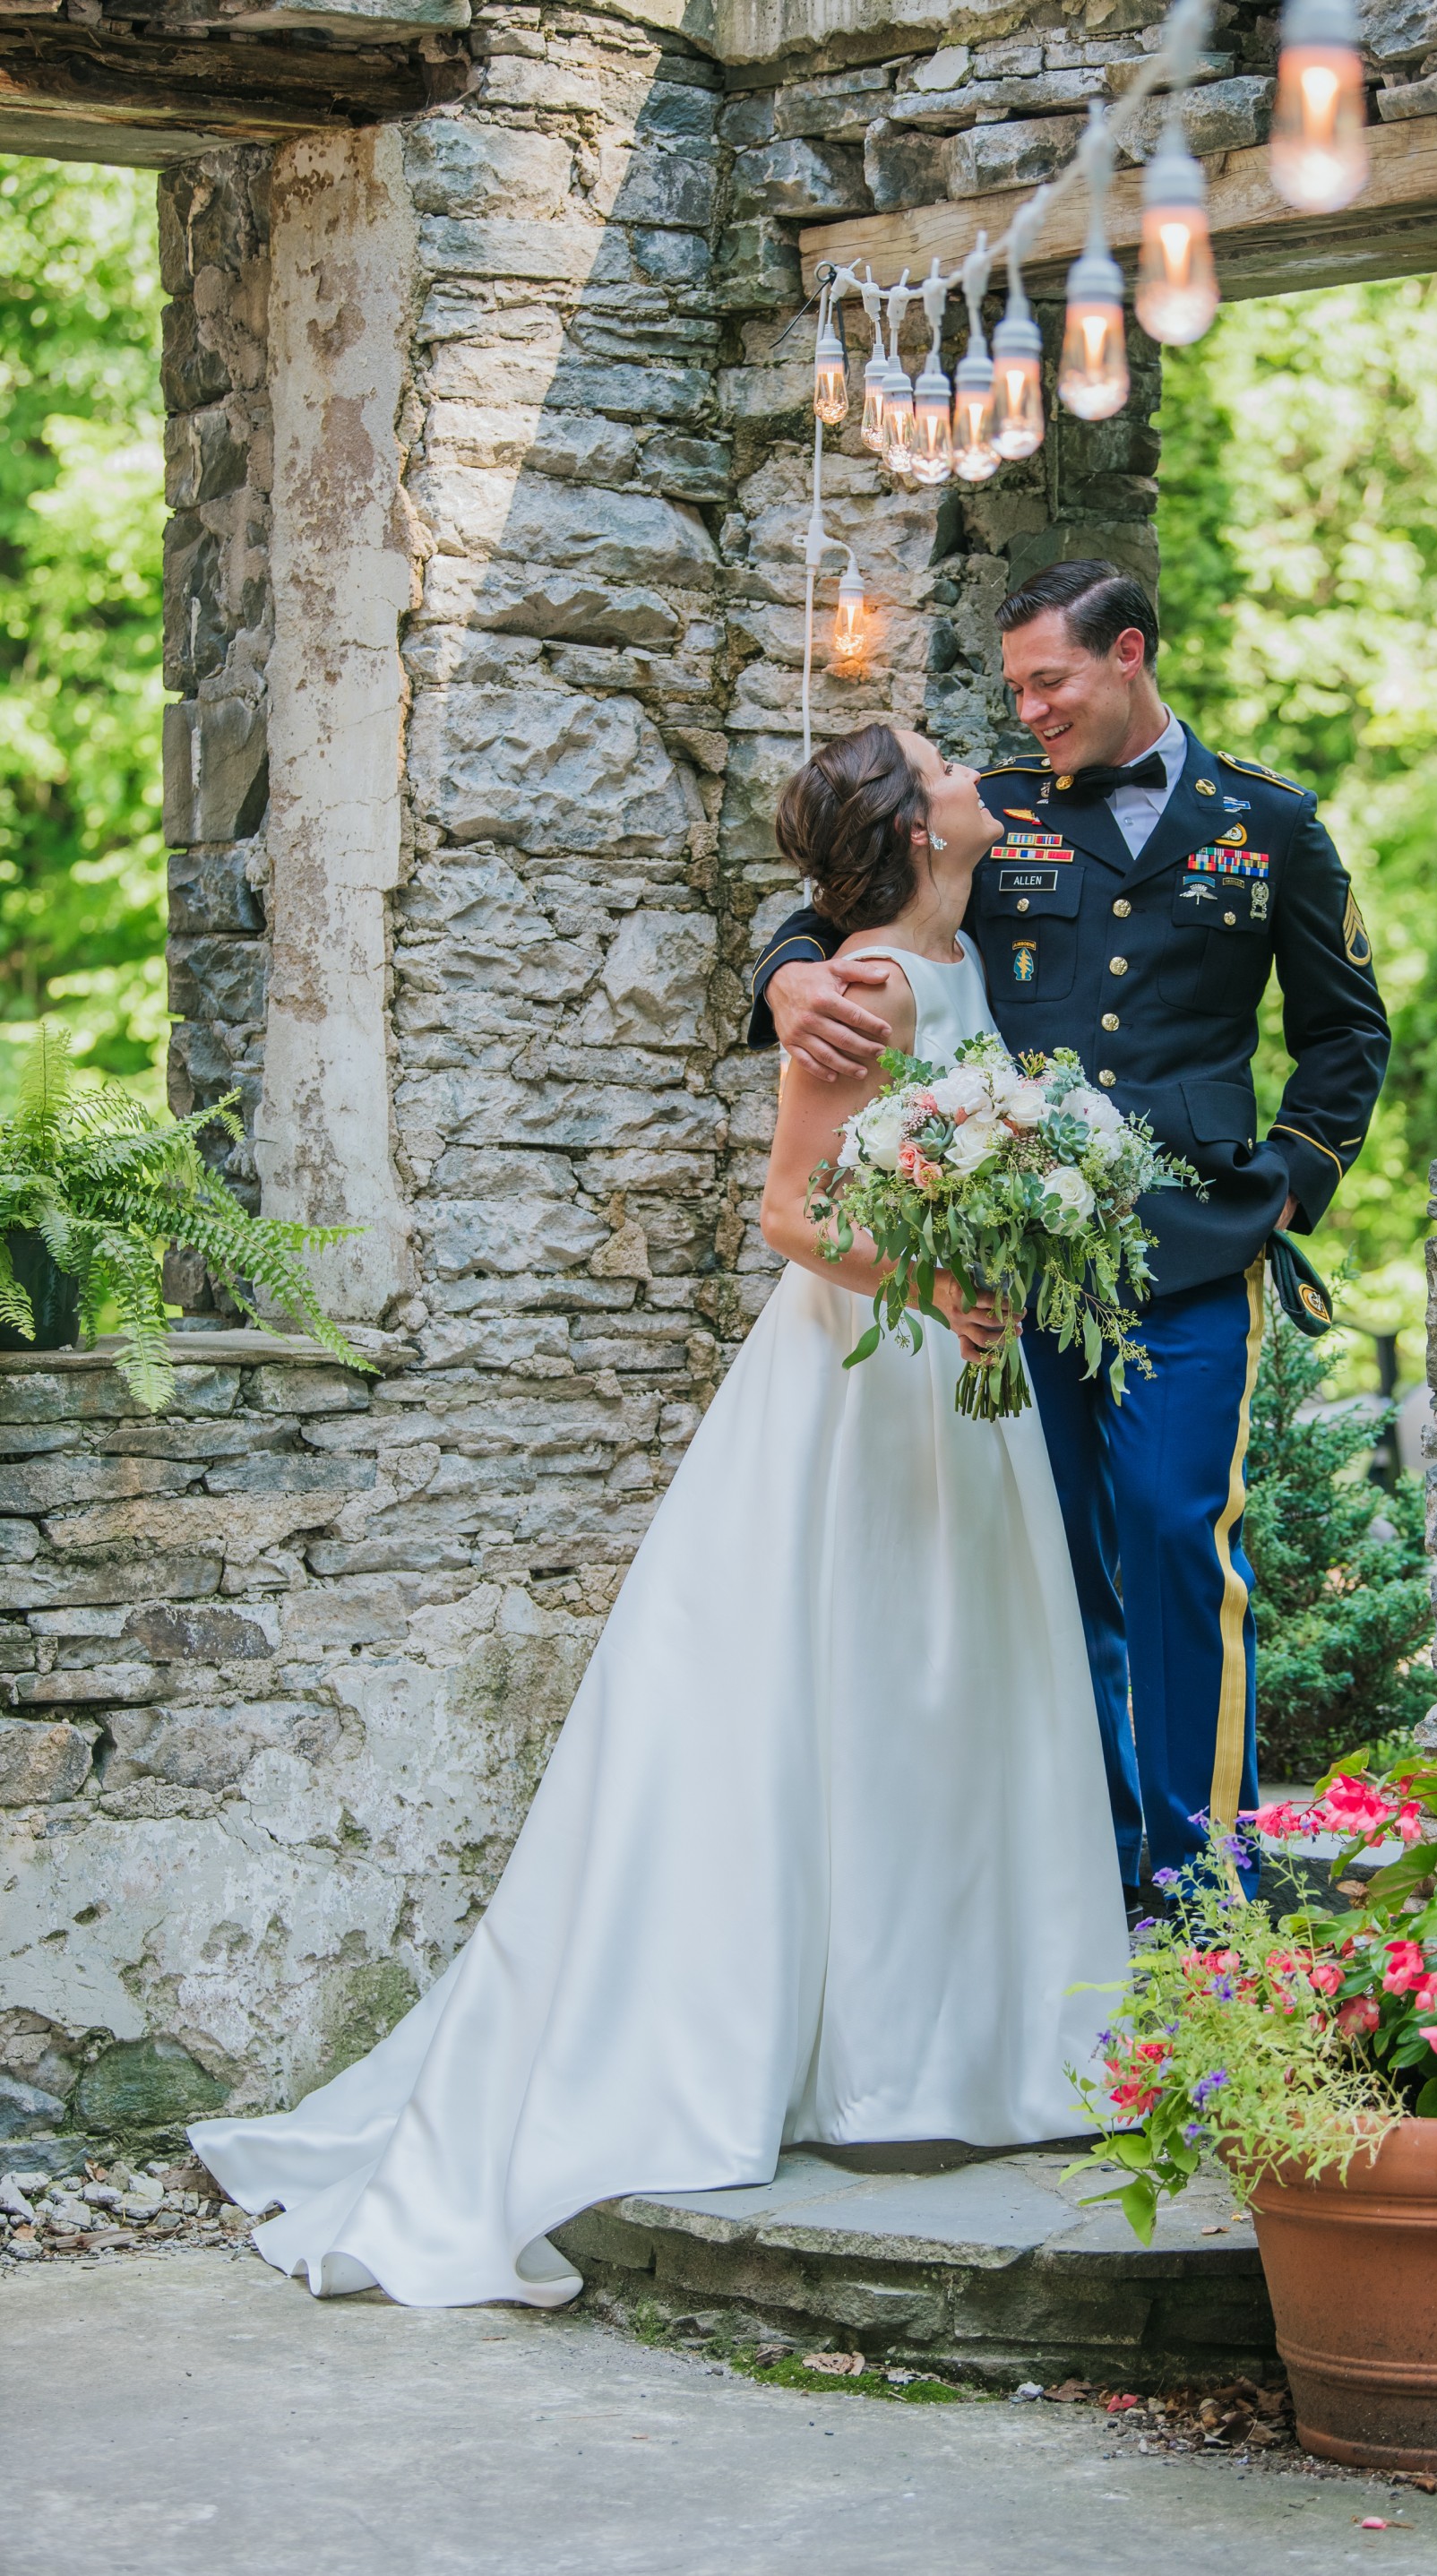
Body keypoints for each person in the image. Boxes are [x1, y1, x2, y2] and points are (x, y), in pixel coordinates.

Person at [188, 723, 1127, 2310]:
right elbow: (791, 1212)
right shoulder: (871, 988)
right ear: (909, 828)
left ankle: (940, 2048)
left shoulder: (951, 959)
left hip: (959, 1377)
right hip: (863, 1379)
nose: (972, 757)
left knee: (956, 1689)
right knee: (840, 1686)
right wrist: (949, 1285)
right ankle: (817, 2051)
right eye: (938, 755)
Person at [749, 561, 1390, 1905]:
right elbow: (842, 897)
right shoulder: (990, 812)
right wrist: (787, 972)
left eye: (1049, 681)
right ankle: (1097, 1878)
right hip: (1016, 1267)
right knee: (1056, 1561)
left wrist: (1286, 1186)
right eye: (1016, 687)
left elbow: (1345, 1033)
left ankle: (1205, 1881)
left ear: (1129, 656)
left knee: (1172, 1534)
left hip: (1194, 1257)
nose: (1029, 710)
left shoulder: (1269, 823)